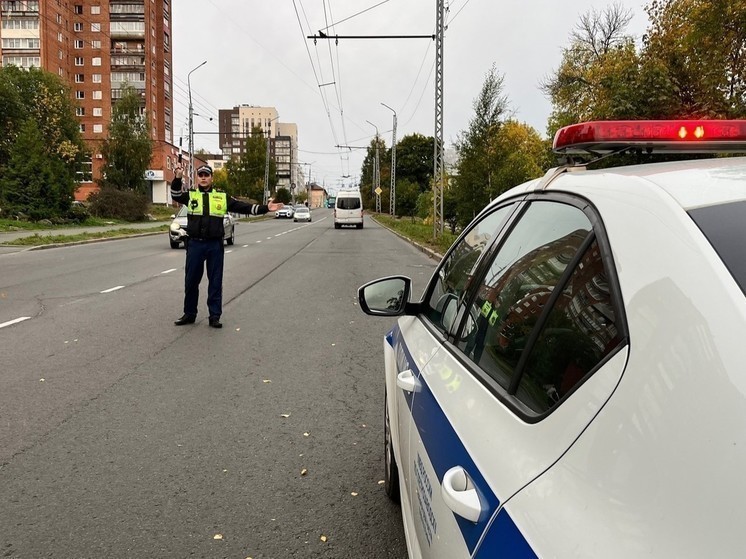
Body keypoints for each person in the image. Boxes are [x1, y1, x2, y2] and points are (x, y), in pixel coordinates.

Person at [170, 164, 282, 328]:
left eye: (206, 175)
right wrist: (178, 177)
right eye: (200, 174)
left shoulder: (221, 196)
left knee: (215, 281)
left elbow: (243, 207)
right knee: (191, 281)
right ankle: (189, 313)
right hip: (195, 244)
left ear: (211, 178)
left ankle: (214, 316)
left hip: (214, 245)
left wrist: (266, 208)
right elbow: (175, 194)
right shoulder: (191, 195)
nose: (203, 177)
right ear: (197, 177)